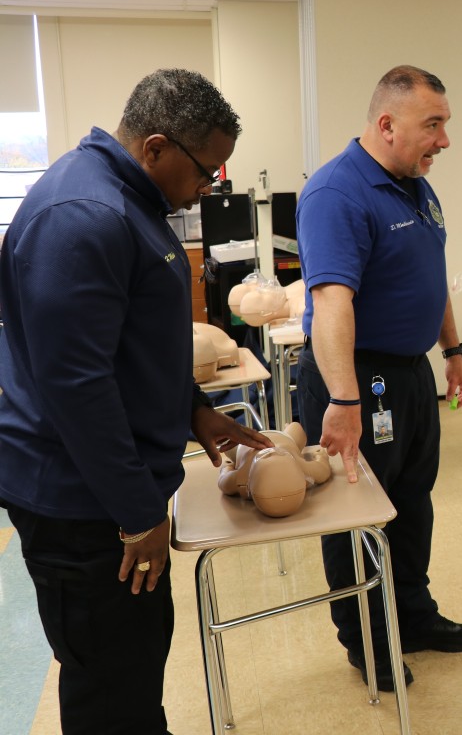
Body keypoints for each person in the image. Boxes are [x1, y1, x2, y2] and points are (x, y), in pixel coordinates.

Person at [0, 68, 271, 735]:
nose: (211, 187)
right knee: (108, 679)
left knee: (132, 660)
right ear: (155, 148)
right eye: (207, 171)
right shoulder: (86, 217)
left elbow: (129, 347)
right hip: (82, 505)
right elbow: (77, 385)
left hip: (104, 492)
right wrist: (137, 510)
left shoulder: (128, 203)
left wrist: (194, 411)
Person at [296, 65, 462, 693]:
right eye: (433, 125)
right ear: (386, 124)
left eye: (444, 125)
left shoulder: (416, 186)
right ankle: (366, 639)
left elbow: (432, 272)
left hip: (409, 375)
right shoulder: (336, 193)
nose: (444, 141)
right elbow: (331, 304)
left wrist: (452, 350)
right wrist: (344, 397)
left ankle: (414, 614)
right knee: (355, 514)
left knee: (411, 501)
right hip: (355, 379)